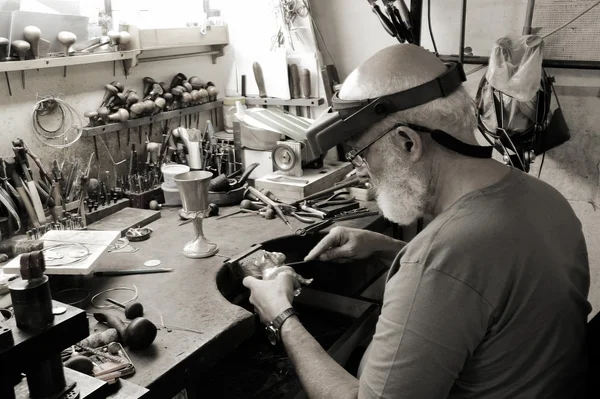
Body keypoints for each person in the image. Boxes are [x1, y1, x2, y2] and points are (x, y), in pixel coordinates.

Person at [242, 44, 591, 398]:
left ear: (408, 143)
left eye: (362, 155)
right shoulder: (546, 199)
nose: (362, 173)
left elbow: (451, 271)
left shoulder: (444, 258)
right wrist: (391, 249)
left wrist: (281, 316)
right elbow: (479, 284)